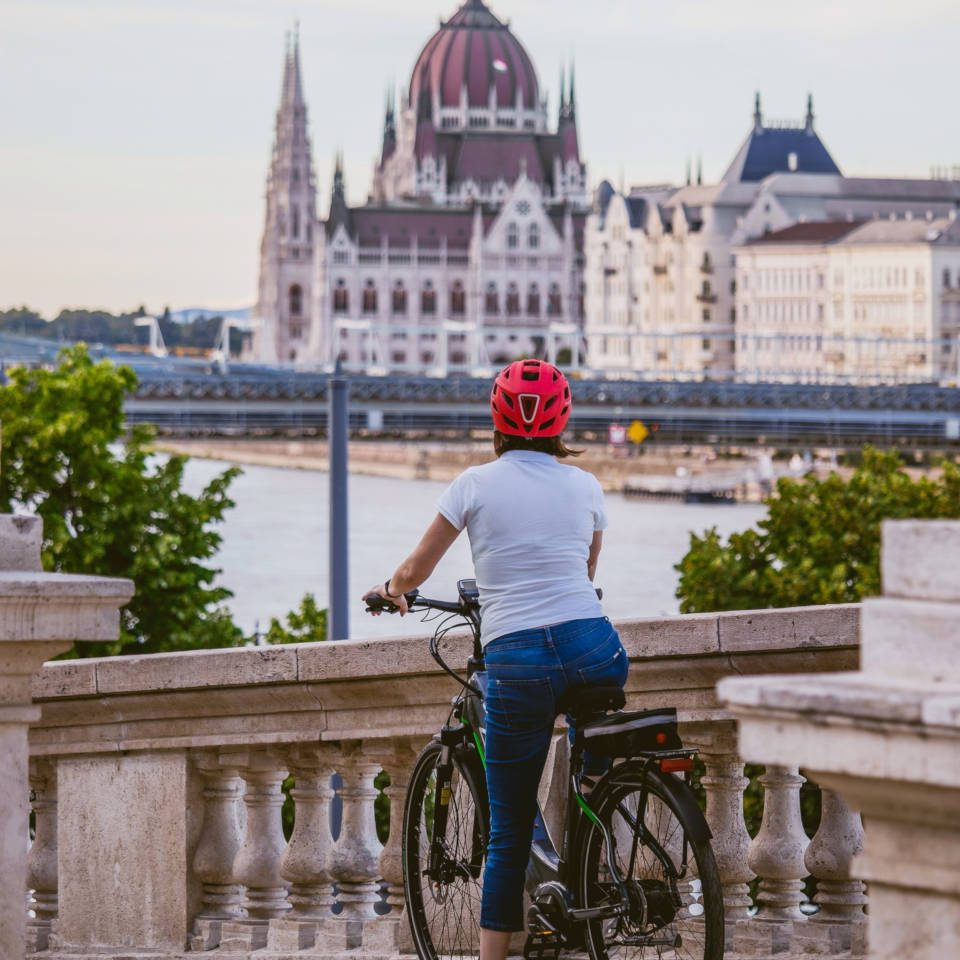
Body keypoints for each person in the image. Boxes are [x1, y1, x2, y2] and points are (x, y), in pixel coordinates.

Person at [363, 358, 628, 960]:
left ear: (496, 419)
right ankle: (592, 826)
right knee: (589, 751)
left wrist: (393, 589)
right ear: (563, 420)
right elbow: (585, 573)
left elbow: (417, 569)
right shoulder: (586, 486)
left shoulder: (474, 484)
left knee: (506, 833)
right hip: (596, 648)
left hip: (517, 656)